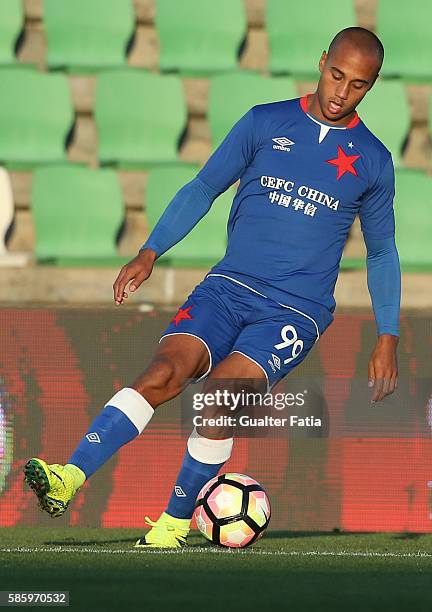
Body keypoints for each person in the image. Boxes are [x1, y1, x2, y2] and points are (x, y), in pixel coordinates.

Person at [24, 27, 400, 547]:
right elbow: (204, 187)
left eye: (358, 85)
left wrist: (388, 334)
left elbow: (381, 251)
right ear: (321, 62)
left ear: (372, 85)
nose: (341, 92)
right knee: (163, 371)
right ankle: (71, 475)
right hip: (226, 288)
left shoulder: (374, 160)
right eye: (336, 75)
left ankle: (175, 522)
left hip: (294, 311)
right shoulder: (264, 122)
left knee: (218, 399)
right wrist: (151, 249)